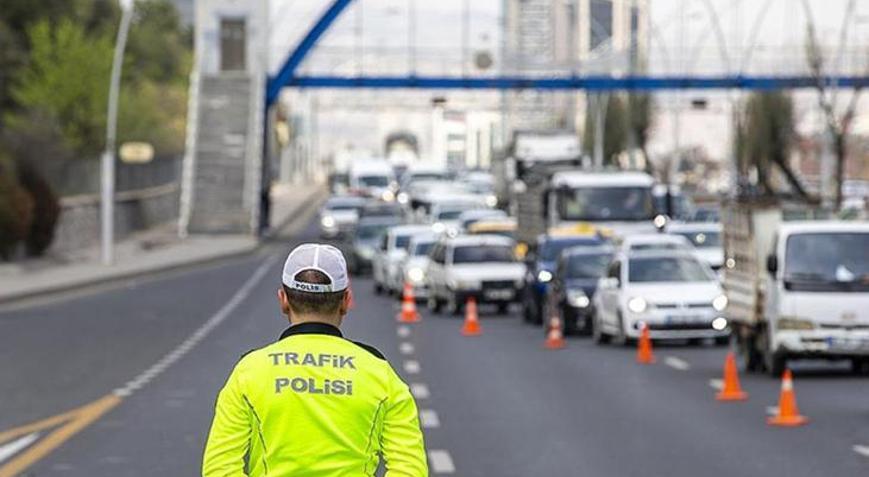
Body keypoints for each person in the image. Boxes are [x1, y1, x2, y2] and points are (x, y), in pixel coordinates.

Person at [202, 243, 428, 476]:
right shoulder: (380, 374)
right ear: (346, 301)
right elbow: (410, 469)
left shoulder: (249, 372)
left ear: (283, 300)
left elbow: (219, 469)